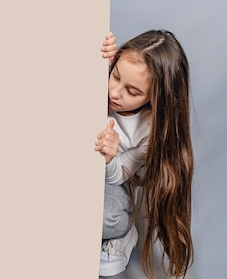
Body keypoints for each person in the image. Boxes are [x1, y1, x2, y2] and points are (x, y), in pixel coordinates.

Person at [94, 30, 194, 278]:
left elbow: (120, 176)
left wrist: (109, 157)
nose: (115, 93)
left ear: (155, 98)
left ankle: (123, 233)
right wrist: (97, 60)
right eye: (115, 76)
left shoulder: (150, 131)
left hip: (111, 181)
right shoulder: (106, 76)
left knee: (107, 216)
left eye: (133, 92)